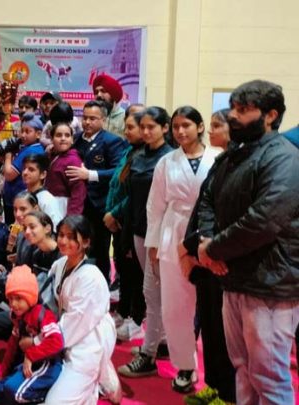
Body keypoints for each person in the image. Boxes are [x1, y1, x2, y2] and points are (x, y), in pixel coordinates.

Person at [196, 80, 299, 405]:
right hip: (234, 278)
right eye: (233, 108)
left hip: (270, 284)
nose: (233, 116)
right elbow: (208, 200)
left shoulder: (285, 158)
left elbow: (264, 220)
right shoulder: (234, 157)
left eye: (243, 110)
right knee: (243, 370)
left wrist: (212, 250)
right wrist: (207, 241)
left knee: (268, 377)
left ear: (270, 116)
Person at [145, 106, 219, 392]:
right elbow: (155, 205)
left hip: (208, 235)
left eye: (186, 125)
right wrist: (153, 243)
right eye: (175, 126)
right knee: (176, 306)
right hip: (173, 233)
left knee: (212, 306)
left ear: (200, 127)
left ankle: (216, 371)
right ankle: (186, 366)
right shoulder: (167, 162)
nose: (179, 131)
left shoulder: (218, 158)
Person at [179, 108, 236, 405]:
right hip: (203, 255)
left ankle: (228, 396)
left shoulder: (239, 164)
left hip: (222, 259)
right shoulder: (221, 161)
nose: (211, 130)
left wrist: (208, 247)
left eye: (217, 125)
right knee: (211, 330)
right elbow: (203, 208)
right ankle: (213, 386)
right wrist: (189, 246)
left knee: (226, 336)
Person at [117, 106, 174, 378]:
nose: (147, 131)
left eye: (153, 126)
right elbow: (131, 197)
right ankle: (160, 342)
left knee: (158, 293)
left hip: (163, 234)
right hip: (140, 229)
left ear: (165, 128)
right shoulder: (138, 155)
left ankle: (151, 351)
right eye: (144, 126)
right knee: (151, 291)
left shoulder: (171, 158)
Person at [44, 215, 121, 404]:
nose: (63, 241)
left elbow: (76, 323)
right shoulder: (59, 264)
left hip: (90, 339)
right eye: (61, 235)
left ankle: (100, 372)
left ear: (85, 242)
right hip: (66, 332)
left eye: (71, 237)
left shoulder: (91, 278)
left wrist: (41, 342)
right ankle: (99, 372)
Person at [66, 100, 127, 287]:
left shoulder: (111, 141)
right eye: (85, 118)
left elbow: (118, 171)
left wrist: (90, 175)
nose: (87, 122)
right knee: (77, 245)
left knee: (99, 248)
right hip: (77, 204)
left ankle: (101, 285)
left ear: (103, 119)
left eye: (93, 118)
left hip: (99, 204)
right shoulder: (75, 139)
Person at [103, 104, 146, 342]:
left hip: (129, 220)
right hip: (118, 220)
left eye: (131, 128)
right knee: (123, 268)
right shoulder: (129, 150)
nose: (126, 131)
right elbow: (116, 184)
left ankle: (136, 318)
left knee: (135, 272)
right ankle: (123, 310)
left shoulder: (145, 156)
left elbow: (134, 195)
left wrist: (115, 213)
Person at [0, 265, 64, 405]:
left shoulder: (42, 314)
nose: (13, 304)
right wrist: (2, 373)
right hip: (32, 366)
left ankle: (44, 397)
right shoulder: (18, 317)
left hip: (47, 366)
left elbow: (57, 342)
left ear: (30, 297)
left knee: (12, 391)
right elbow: (12, 346)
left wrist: (31, 356)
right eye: (10, 299)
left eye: (18, 298)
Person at [0, 192, 41, 340]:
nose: (18, 214)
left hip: (32, 297)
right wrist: (4, 273)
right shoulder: (20, 233)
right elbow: (18, 267)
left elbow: (33, 280)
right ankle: (11, 313)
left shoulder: (39, 236)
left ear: (36, 208)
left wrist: (4, 278)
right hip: (18, 287)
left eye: (23, 209)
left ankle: (23, 324)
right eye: (15, 209)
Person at [2, 113, 46, 225]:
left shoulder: (30, 151)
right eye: (22, 131)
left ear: (38, 134)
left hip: (18, 199)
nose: (23, 135)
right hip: (19, 198)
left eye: (28, 131)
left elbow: (9, 174)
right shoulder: (35, 148)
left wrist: (8, 154)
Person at [45, 122, 86, 216]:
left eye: (67, 135)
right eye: (59, 135)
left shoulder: (73, 160)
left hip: (64, 208)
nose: (63, 138)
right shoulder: (52, 155)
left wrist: (72, 217)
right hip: (51, 205)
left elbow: (78, 192)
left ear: (72, 140)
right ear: (51, 139)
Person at [21, 154, 63, 226]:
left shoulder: (48, 200)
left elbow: (55, 228)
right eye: (24, 169)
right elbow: (17, 222)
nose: (25, 173)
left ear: (43, 174)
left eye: (31, 169)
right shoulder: (22, 195)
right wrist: (13, 234)